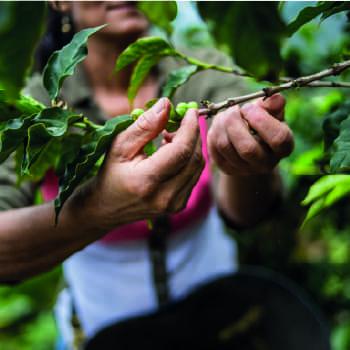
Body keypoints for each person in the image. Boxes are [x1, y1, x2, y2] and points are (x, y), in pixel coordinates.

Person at [0, 2, 294, 348]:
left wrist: (244, 153)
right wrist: (98, 209)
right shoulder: (41, 107)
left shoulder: (199, 74)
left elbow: (247, 211)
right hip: (100, 334)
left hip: (216, 324)